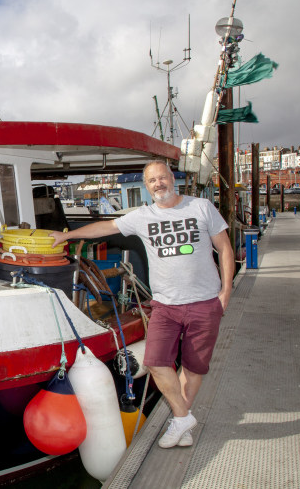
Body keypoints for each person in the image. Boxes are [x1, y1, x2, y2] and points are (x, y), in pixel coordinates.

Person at [50, 160, 234, 448]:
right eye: (152, 181)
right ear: (147, 187)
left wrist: (226, 292)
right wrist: (67, 235)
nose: (158, 184)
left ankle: (180, 421)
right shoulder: (142, 216)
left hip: (204, 302)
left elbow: (224, 248)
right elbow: (105, 228)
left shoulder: (200, 207)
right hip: (165, 305)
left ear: (172, 179)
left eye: (162, 177)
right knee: (157, 362)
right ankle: (183, 417)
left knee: (194, 367)